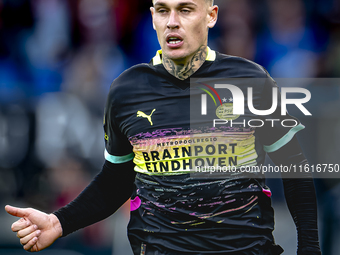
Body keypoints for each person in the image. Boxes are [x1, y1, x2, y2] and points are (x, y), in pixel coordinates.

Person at [5, 0, 321, 254]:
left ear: (210, 16)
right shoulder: (126, 90)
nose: (172, 21)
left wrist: (309, 248)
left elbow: (295, 170)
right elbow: (115, 181)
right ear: (153, 17)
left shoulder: (250, 80)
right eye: (163, 10)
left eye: (185, 9)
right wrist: (59, 223)